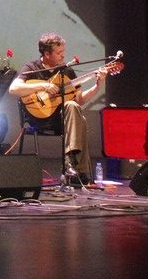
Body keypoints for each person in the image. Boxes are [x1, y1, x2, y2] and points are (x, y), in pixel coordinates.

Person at [8, 31, 107, 184]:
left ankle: (71, 165)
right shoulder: (32, 67)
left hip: (62, 120)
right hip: (39, 118)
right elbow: (14, 89)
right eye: (59, 53)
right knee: (80, 120)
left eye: (63, 52)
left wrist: (97, 86)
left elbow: (79, 100)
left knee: (73, 106)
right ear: (46, 54)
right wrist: (44, 86)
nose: (63, 56)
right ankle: (78, 171)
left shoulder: (67, 71)